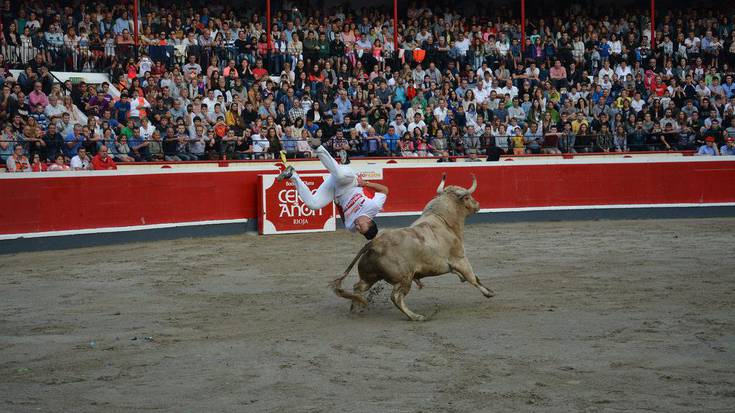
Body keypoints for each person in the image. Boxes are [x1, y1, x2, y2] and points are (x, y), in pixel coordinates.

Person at [277, 146, 387, 239]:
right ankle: (318, 148)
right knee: (340, 176)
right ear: (369, 222)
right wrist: (365, 183)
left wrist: (337, 203)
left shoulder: (350, 226)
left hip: (337, 191)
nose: (357, 228)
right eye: (361, 227)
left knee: (313, 204)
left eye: (359, 231)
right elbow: (385, 190)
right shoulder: (374, 206)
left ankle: (292, 175)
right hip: (351, 183)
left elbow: (343, 213)